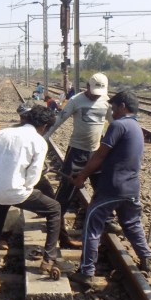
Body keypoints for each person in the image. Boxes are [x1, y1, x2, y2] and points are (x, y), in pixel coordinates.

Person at [68, 91, 151, 287]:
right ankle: (146, 257)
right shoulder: (136, 127)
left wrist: (81, 176)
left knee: (92, 224)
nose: (112, 112)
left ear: (123, 106)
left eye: (114, 108)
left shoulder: (119, 125)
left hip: (113, 188)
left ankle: (87, 271)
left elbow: (99, 156)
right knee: (132, 222)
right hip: (131, 188)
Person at [0, 105, 60, 294]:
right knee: (54, 208)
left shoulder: (3, 134)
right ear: (45, 126)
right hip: (18, 192)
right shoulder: (39, 142)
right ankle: (48, 258)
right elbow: (33, 178)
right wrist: (19, 189)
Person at [44, 73, 112, 249]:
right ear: (87, 86)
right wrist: (44, 138)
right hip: (77, 152)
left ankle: (107, 219)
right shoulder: (76, 100)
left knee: (102, 188)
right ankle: (56, 220)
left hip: (97, 153)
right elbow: (59, 119)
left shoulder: (106, 102)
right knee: (67, 188)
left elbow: (116, 122)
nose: (96, 94)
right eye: (93, 90)